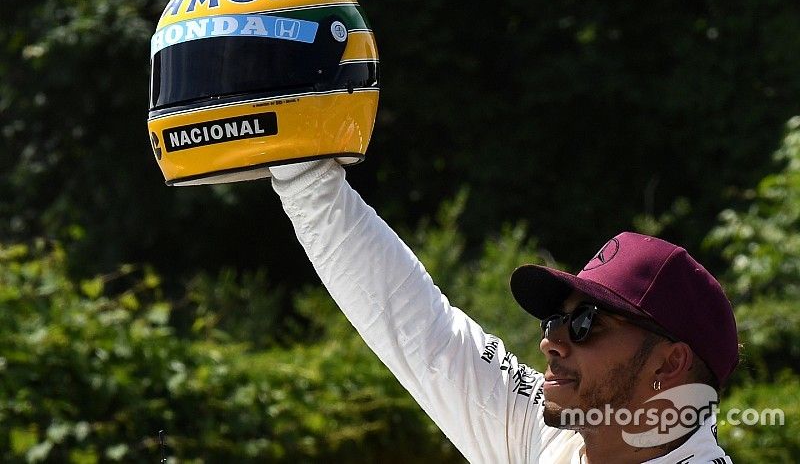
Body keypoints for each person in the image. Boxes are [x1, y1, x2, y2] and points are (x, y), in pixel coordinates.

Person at [269, 159, 738, 463]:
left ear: (670, 363)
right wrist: (302, 172)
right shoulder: (551, 434)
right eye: (556, 319)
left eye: (585, 323)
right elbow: (417, 324)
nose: (551, 342)